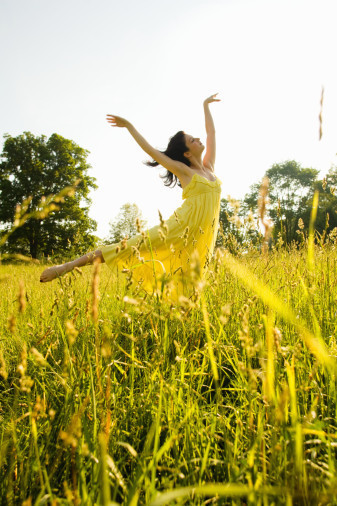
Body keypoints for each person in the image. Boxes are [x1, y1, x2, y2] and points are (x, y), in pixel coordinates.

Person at [40, 94, 222, 299]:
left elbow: (211, 133)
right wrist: (129, 126)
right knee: (127, 247)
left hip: (203, 235)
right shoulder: (184, 170)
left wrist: (205, 105)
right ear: (187, 154)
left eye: (195, 138)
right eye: (192, 140)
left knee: (191, 279)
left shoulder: (209, 168)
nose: (198, 140)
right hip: (180, 226)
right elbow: (151, 151)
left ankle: (180, 316)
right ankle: (67, 266)